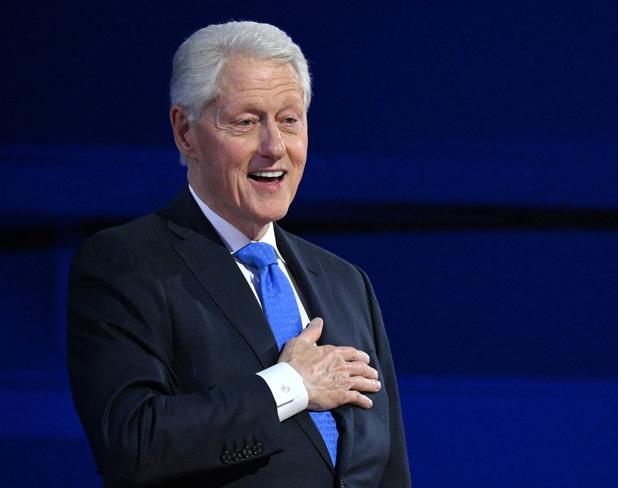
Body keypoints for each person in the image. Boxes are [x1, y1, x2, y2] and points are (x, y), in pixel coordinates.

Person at [67, 21, 410, 487]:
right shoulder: (127, 263)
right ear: (185, 133)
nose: (274, 148)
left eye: (289, 120)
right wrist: (289, 386)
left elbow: (387, 470)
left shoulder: (346, 282)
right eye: (247, 122)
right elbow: (134, 443)